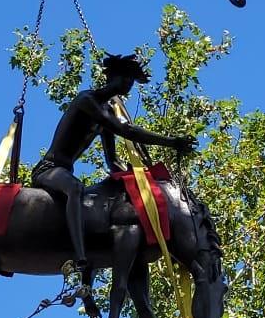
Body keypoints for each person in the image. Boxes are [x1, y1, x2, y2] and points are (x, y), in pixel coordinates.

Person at [31, 51, 193, 281]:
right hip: (48, 169)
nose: (129, 84)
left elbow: (112, 161)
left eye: (132, 80)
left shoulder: (105, 113)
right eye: (126, 78)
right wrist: (171, 142)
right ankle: (80, 258)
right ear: (113, 76)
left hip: (65, 171)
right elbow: (126, 130)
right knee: (75, 189)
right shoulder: (86, 100)